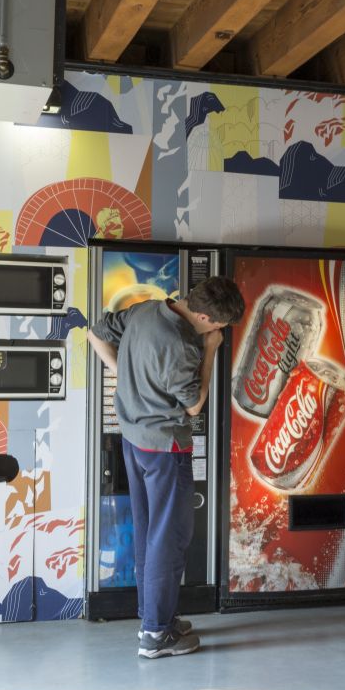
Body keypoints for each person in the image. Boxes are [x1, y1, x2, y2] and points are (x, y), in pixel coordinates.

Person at [89, 276, 245, 658]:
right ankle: (157, 635)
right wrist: (210, 350)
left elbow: (94, 333)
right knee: (169, 538)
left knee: (150, 532)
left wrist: (125, 378)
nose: (219, 332)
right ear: (205, 318)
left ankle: (153, 617)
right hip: (164, 448)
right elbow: (194, 405)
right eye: (219, 326)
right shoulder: (184, 345)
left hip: (133, 439)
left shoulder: (146, 310)